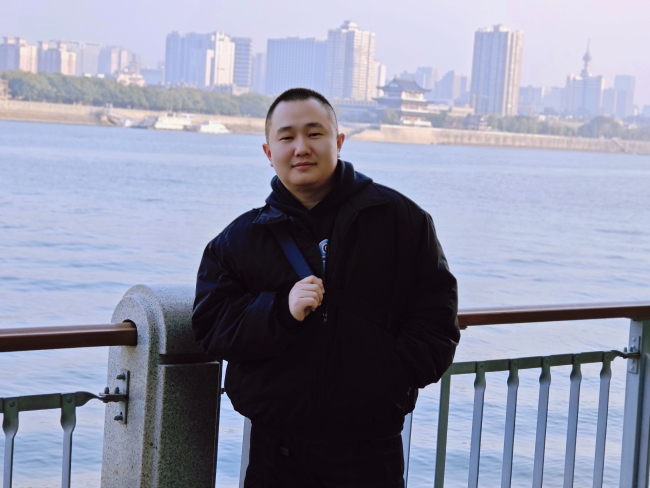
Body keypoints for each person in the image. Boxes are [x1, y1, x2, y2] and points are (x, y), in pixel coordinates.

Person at [192, 88, 459, 487]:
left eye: (314, 133)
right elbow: (212, 327)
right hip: (276, 451)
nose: (301, 147)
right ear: (268, 152)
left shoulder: (400, 220)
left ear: (338, 142)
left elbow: (436, 318)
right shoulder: (240, 240)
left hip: (371, 450)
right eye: (287, 137)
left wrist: (390, 377)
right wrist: (280, 311)